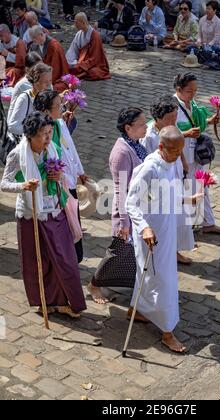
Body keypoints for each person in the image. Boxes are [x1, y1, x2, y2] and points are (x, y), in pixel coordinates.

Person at [0, 111, 87, 318]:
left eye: (49, 133)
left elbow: (63, 179)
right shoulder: (17, 155)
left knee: (65, 259)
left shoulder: (53, 150)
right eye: (43, 134)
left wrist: (58, 177)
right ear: (30, 135)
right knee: (38, 261)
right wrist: (24, 185)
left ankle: (69, 300)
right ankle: (47, 303)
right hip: (31, 214)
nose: (48, 138)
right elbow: (4, 183)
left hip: (55, 210)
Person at [125, 126, 202, 352]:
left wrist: (189, 200)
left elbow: (170, 192)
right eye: (174, 151)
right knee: (163, 280)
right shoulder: (149, 168)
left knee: (151, 274)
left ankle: (136, 309)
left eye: (180, 152)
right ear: (161, 147)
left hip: (166, 229)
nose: (178, 156)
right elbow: (131, 203)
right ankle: (168, 332)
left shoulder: (173, 162)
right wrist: (144, 228)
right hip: (150, 232)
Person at [87, 107, 148, 304]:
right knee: (118, 250)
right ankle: (95, 284)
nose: (146, 127)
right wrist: (124, 221)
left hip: (139, 207)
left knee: (131, 251)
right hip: (126, 210)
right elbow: (121, 188)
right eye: (141, 124)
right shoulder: (121, 152)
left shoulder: (137, 144)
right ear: (128, 128)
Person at [33, 89, 88, 263]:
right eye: (58, 105)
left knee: (74, 221)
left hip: (69, 183)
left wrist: (80, 171)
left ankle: (72, 260)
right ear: (46, 112)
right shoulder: (39, 134)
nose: (63, 107)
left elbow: (70, 149)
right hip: (54, 189)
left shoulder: (60, 123)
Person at [141, 94, 194, 264]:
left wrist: (184, 162)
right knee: (166, 220)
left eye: (175, 117)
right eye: (169, 118)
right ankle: (164, 252)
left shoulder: (172, 128)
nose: (173, 121)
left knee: (179, 218)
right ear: (158, 118)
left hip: (175, 173)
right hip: (161, 182)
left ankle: (176, 249)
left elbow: (178, 148)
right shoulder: (150, 136)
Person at [174, 72, 220, 233]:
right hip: (181, 156)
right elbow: (165, 133)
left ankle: (207, 222)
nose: (193, 94)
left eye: (195, 91)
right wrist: (186, 134)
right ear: (178, 89)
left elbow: (197, 123)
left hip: (195, 154)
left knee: (202, 186)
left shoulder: (192, 103)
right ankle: (188, 226)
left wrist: (209, 121)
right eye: (189, 91)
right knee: (187, 189)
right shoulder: (171, 107)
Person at [7, 62, 52, 136]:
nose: (49, 85)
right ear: (35, 81)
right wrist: (35, 130)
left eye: (50, 81)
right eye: (45, 82)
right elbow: (12, 127)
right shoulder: (24, 99)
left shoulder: (44, 97)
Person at [66, 12, 110, 81]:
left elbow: (96, 58)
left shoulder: (95, 36)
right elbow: (73, 50)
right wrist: (70, 62)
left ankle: (80, 72)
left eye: (76, 23)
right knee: (67, 67)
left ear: (83, 22)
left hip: (94, 65)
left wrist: (81, 65)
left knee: (94, 72)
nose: (75, 25)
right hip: (81, 63)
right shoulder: (79, 34)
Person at [29, 25, 69, 92]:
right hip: (39, 75)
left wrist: (45, 81)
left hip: (52, 77)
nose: (33, 41)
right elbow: (31, 63)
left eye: (35, 38)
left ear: (41, 34)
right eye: (32, 39)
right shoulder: (34, 46)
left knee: (58, 87)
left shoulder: (54, 46)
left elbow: (56, 69)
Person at [7, 51, 42, 122]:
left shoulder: (37, 81)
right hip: (18, 125)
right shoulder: (24, 84)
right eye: (36, 68)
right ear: (27, 69)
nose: (40, 70)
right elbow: (41, 102)